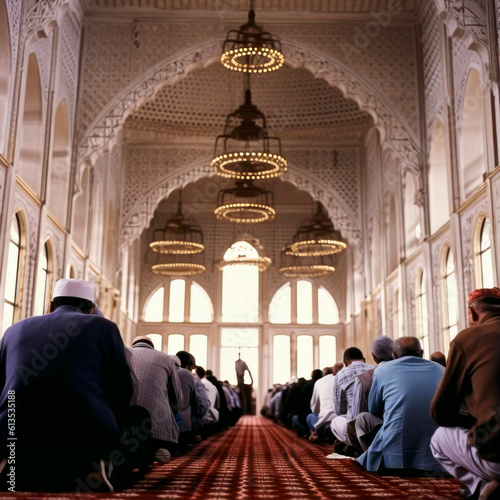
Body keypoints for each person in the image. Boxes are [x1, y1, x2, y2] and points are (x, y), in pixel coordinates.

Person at [0, 279, 134, 491]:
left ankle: (9, 463)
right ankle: (96, 465)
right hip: (82, 431)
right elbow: (123, 387)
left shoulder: (13, 330)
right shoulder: (104, 327)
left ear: (50, 305)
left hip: (15, 430)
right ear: (91, 309)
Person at [430, 287, 500, 500]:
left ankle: (483, 487)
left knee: (439, 438)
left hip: (496, 454)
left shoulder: (466, 338)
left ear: (474, 313)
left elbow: (439, 412)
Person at [356, 337, 444, 473]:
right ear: (422, 353)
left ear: (394, 355)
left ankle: (377, 461)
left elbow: (373, 409)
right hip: (437, 456)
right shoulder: (441, 370)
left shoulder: (382, 370)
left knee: (362, 418)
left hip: (395, 458)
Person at [127, 336, 183, 463]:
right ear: (152, 346)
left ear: (133, 344)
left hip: (126, 423)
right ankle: (155, 450)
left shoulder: (123, 353)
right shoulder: (166, 358)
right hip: (158, 426)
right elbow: (178, 398)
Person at [346, 335, 394, 452]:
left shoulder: (364, 378)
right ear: (394, 353)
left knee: (357, 421)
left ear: (373, 356)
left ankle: (369, 456)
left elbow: (356, 416)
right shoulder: (406, 372)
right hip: (414, 431)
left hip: (380, 434)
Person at [330, 347, 372, 452]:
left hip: (354, 427)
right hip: (373, 425)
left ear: (345, 362)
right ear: (363, 358)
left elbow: (340, 410)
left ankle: (352, 444)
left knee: (335, 421)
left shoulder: (341, 374)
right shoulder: (373, 369)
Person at [307, 362, 343, 443]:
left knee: (310, 416)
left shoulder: (319, 382)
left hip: (325, 422)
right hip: (341, 421)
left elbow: (314, 409)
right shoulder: (343, 379)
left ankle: (317, 435)